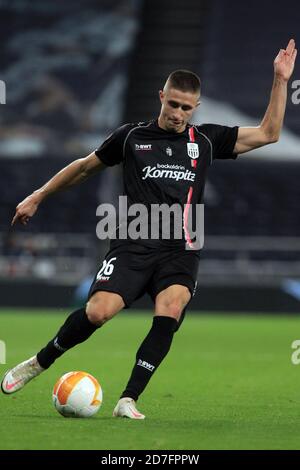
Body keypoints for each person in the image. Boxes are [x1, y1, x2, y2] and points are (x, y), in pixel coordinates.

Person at [1, 39, 297, 419]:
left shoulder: (206, 139)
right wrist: (38, 195)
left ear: (196, 107)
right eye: (172, 104)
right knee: (97, 312)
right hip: (133, 245)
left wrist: (280, 79)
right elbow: (83, 167)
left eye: (186, 108)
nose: (178, 114)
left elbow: (269, 133)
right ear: (161, 96)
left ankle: (128, 399)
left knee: (170, 308)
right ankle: (38, 363)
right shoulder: (131, 137)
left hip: (180, 250)